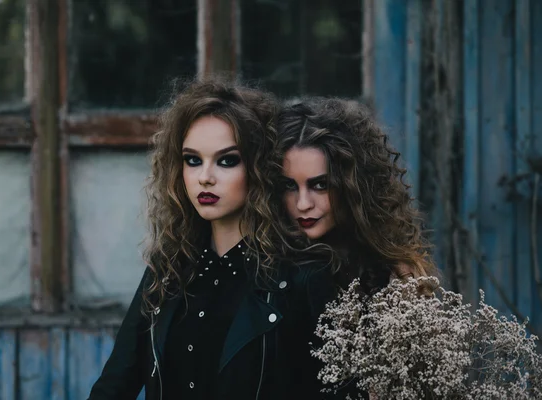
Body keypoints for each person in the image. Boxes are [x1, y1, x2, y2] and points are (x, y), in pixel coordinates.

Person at [88, 80, 356, 400]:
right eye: (193, 160)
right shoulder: (169, 268)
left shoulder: (303, 275)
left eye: (226, 160)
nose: (205, 177)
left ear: (258, 167)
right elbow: (116, 382)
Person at [275, 97, 437, 294]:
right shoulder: (264, 266)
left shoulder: (396, 274)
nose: (303, 204)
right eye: (289, 186)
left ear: (353, 185)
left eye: (320, 185)